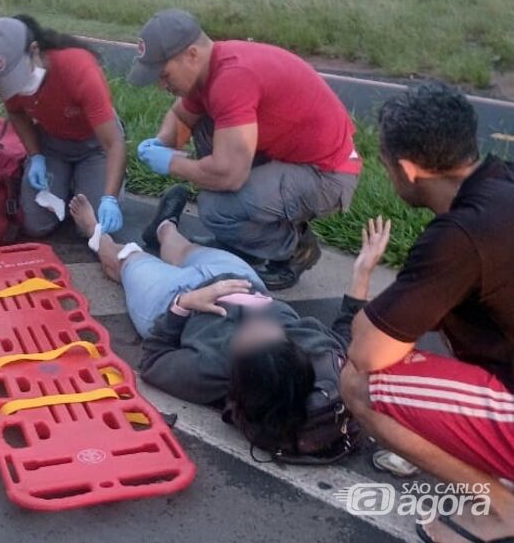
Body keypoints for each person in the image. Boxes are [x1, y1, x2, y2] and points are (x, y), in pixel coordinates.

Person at [67, 184, 390, 453]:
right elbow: (346, 330)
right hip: (239, 279)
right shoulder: (320, 357)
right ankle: (165, 227)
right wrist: (362, 273)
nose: (254, 319)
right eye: (271, 331)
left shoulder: (209, 371)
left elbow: (154, 358)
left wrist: (184, 304)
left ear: (239, 375)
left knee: (125, 260)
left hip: (172, 297)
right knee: (181, 248)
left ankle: (94, 232)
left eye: (248, 335)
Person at [340, 82, 514, 543]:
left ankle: (503, 512)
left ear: (408, 169)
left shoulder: (461, 235)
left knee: (360, 383)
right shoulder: (504, 185)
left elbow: (368, 354)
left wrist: (363, 296)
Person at [128, 8, 362, 291]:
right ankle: (243, 239)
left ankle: (293, 248)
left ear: (191, 54)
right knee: (205, 129)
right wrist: (163, 143)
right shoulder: (211, 69)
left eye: (164, 74)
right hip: (293, 157)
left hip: (326, 175)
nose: (161, 84)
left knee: (216, 209)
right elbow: (181, 119)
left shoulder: (232, 78)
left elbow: (229, 176)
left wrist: (172, 163)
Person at [0, 14, 126, 238]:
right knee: (36, 225)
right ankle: (66, 186)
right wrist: (36, 155)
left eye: (20, 75)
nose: (18, 86)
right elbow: (16, 112)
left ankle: (89, 183)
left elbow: (114, 143)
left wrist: (110, 198)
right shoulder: (6, 80)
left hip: (95, 145)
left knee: (93, 228)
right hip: (52, 145)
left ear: (35, 50)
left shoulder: (78, 68)